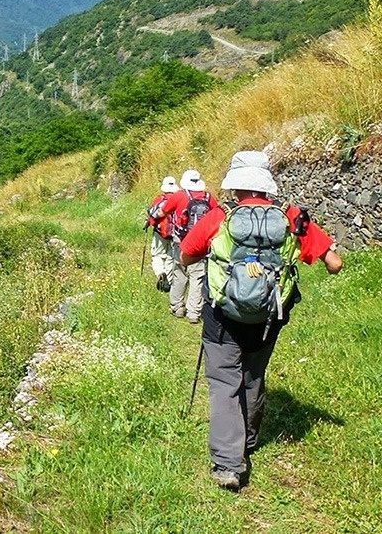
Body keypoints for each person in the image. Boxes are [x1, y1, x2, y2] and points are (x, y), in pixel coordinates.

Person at [180, 150, 342, 491]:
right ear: (267, 184)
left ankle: (228, 464)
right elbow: (335, 263)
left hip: (223, 317)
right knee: (253, 376)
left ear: (235, 185)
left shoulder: (219, 217)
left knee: (225, 383)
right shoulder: (291, 218)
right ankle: (249, 441)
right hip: (269, 316)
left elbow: (186, 254)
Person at [152, 169, 219, 323]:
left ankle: (177, 307)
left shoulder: (180, 195)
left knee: (180, 273)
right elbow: (217, 217)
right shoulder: (209, 197)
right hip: (202, 243)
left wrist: (152, 217)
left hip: (181, 241)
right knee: (198, 276)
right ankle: (194, 312)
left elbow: (161, 212)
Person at [146, 175, 178, 292]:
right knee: (171, 257)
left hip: (160, 232)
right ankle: (168, 283)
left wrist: (149, 223)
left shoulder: (160, 199)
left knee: (157, 255)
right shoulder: (179, 199)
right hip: (175, 233)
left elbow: (153, 216)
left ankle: (160, 273)